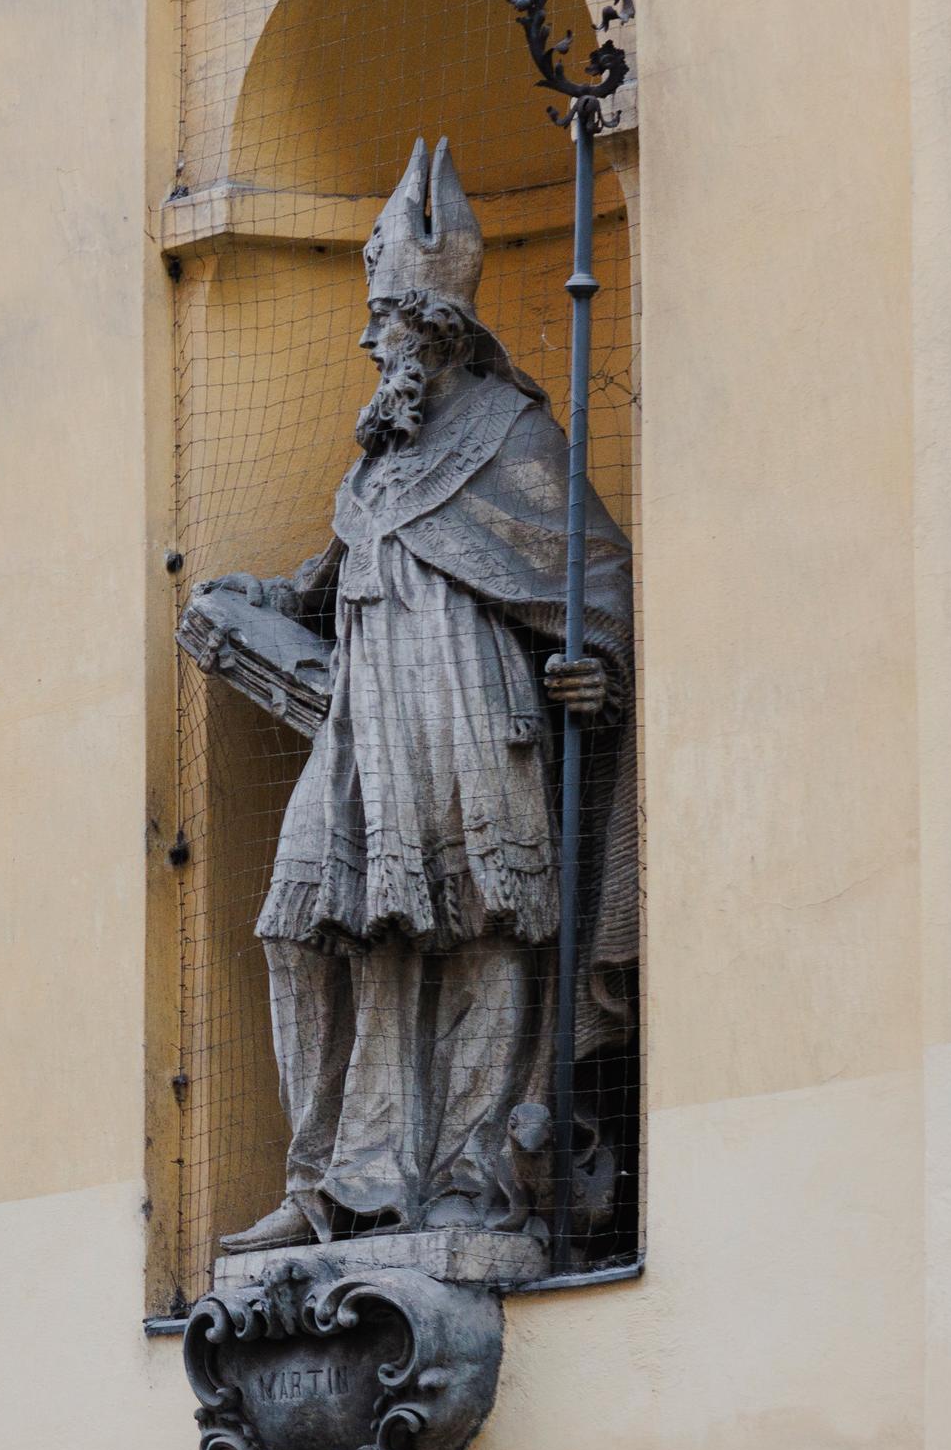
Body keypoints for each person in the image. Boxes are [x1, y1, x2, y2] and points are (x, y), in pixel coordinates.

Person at [194, 140, 633, 1252]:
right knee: (311, 931)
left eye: (381, 318)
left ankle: (472, 1175)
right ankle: (334, 1180)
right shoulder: (379, 458)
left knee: (483, 932)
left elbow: (596, 579)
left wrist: (600, 670)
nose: (365, 339)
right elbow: (332, 574)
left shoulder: (512, 434)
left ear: (432, 329)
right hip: (366, 735)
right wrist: (254, 601)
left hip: (475, 724)